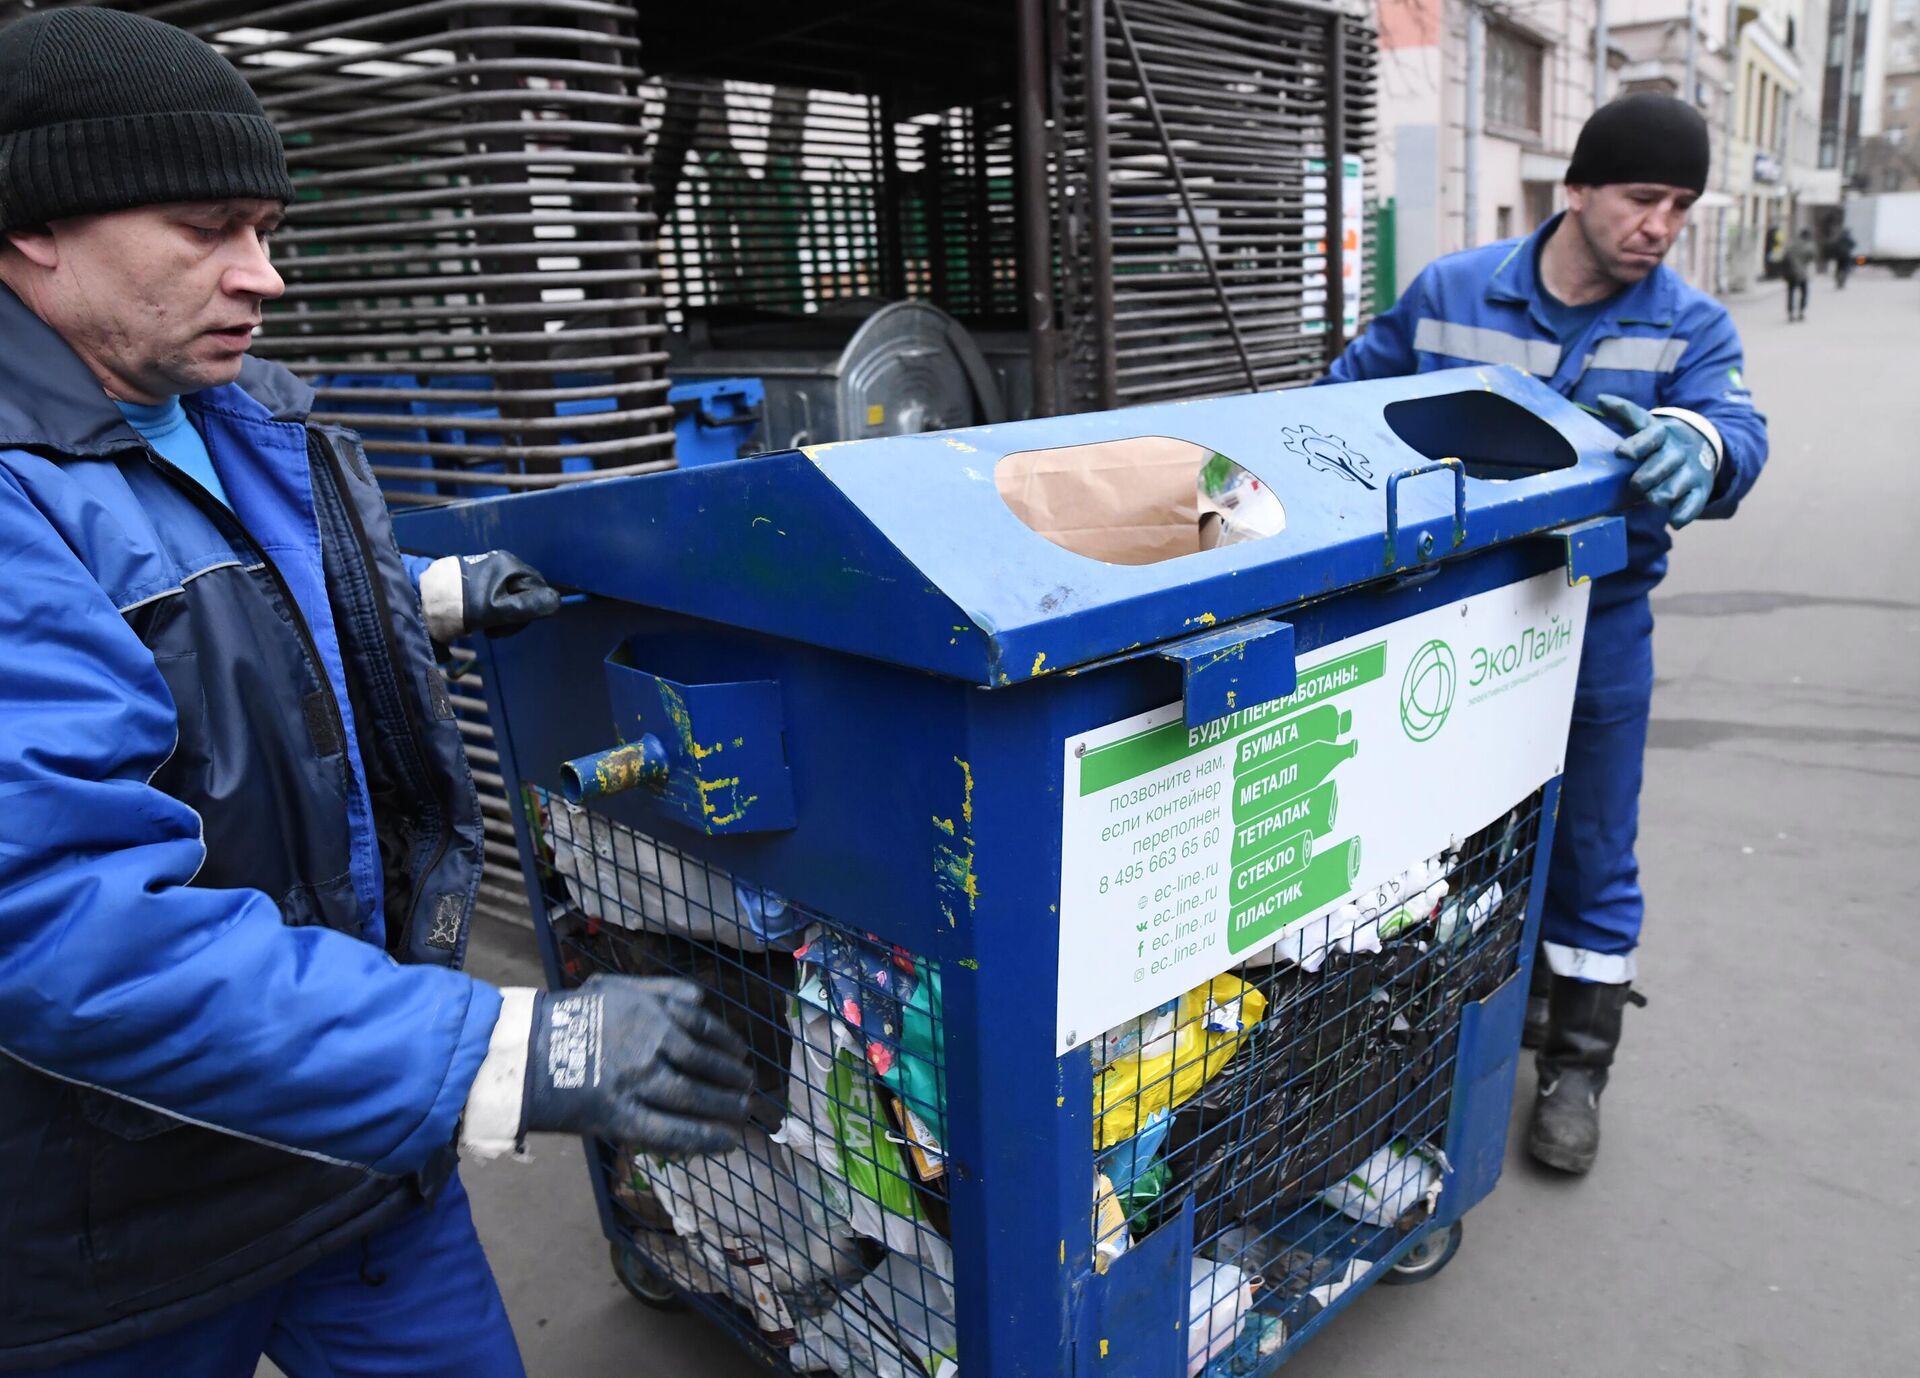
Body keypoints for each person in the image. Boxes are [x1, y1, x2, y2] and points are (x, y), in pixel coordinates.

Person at [0, 10, 754, 1374]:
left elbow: (222, 630)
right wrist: (501, 1050)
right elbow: (54, 917)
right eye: (209, 227)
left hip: (357, 1143)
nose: (263, 277)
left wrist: (432, 601)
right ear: (33, 226)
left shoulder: (228, 409)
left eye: (268, 229)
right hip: (122, 1230)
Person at [1321, 94, 1768, 1175]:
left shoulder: (1690, 326)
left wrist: (1697, 448)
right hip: (1452, 618)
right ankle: (1440, 1030)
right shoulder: (1450, 294)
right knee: (1437, 834)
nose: (1661, 224)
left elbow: (1737, 428)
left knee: (1592, 841)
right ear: (1577, 189)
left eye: (1681, 205)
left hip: (1597, 617)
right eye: (1641, 196)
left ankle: (1577, 1060)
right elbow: (1342, 404)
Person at [1784, 227, 1817, 320]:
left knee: (1791, 292)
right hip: (1802, 273)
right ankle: (1801, 311)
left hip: (1791, 272)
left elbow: (1785, 255)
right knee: (1804, 292)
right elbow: (1812, 257)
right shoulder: (1808, 245)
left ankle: (1790, 312)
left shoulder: (1791, 244)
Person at [1832, 225, 1858, 289]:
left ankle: (1838, 282)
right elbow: (1854, 245)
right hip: (1846, 256)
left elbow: (1835, 246)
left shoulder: (1839, 239)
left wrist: (1836, 254)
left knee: (1839, 270)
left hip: (1839, 257)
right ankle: (1842, 283)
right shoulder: (1849, 239)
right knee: (1845, 270)